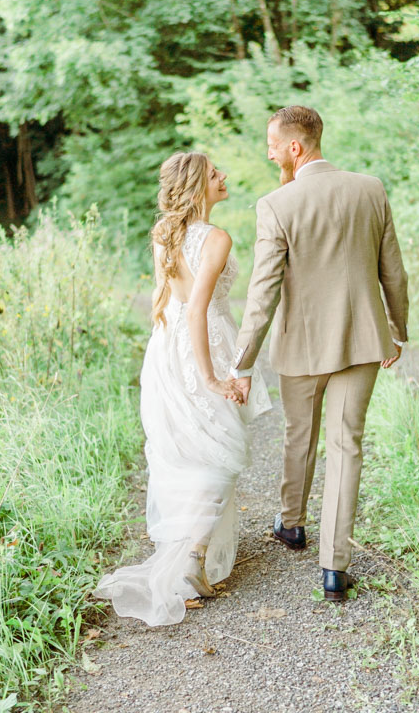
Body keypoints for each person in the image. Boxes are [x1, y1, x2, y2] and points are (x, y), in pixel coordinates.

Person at [230, 105, 409, 602]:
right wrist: (397, 329)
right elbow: (392, 269)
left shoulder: (277, 204)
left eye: (271, 143)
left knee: (299, 434)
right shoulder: (369, 188)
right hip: (362, 339)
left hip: (303, 344)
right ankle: (334, 567)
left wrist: (242, 360)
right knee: (346, 443)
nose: (268, 152)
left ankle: (291, 524)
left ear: (295, 146)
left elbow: (261, 292)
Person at [94, 152, 271, 627]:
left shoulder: (164, 234)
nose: (224, 177)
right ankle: (191, 555)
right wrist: (212, 374)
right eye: (215, 174)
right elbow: (196, 309)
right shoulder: (215, 238)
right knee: (219, 447)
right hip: (200, 346)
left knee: (190, 447)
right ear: (197, 187)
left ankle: (190, 553)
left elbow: (171, 302)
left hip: (165, 348)